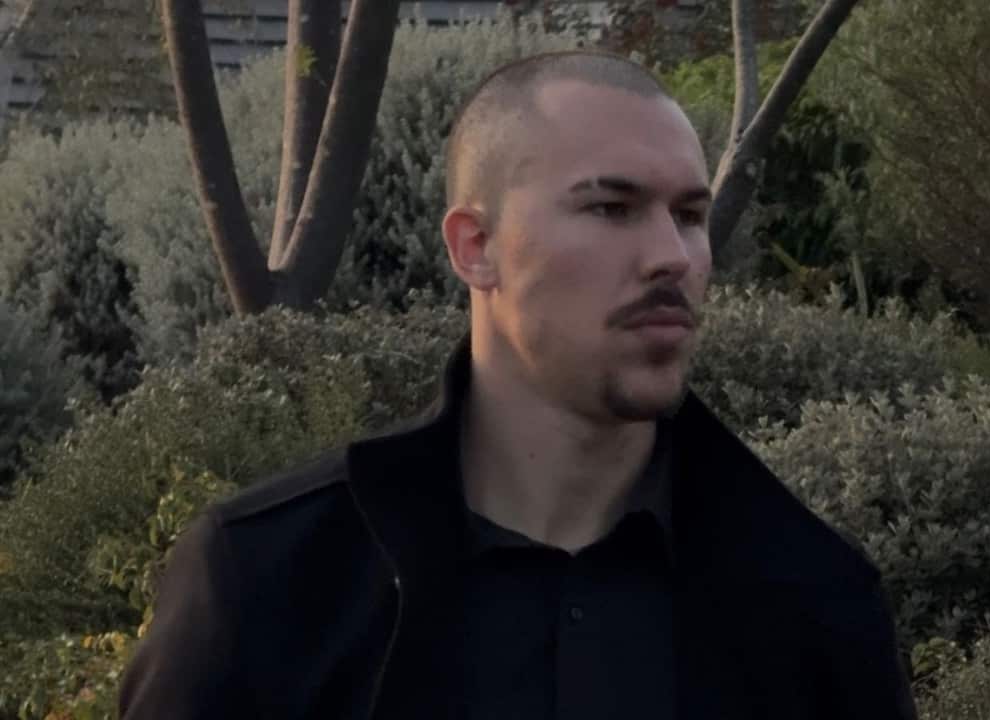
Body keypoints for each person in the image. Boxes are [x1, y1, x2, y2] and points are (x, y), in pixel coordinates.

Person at [118, 50, 917, 719]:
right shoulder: (271, 583)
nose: (672, 255)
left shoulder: (814, 600)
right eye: (611, 207)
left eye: (690, 215)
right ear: (475, 247)